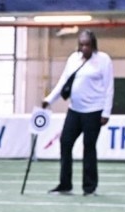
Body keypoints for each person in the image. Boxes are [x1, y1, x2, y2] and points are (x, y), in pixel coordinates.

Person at [42, 29, 113, 196]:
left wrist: (106, 112)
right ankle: (65, 184)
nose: (84, 48)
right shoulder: (73, 59)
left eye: (87, 45)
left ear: (93, 45)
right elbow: (63, 82)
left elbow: (109, 87)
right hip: (74, 110)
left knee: (89, 147)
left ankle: (89, 187)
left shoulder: (103, 60)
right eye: (81, 45)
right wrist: (49, 100)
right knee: (65, 143)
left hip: (94, 111)